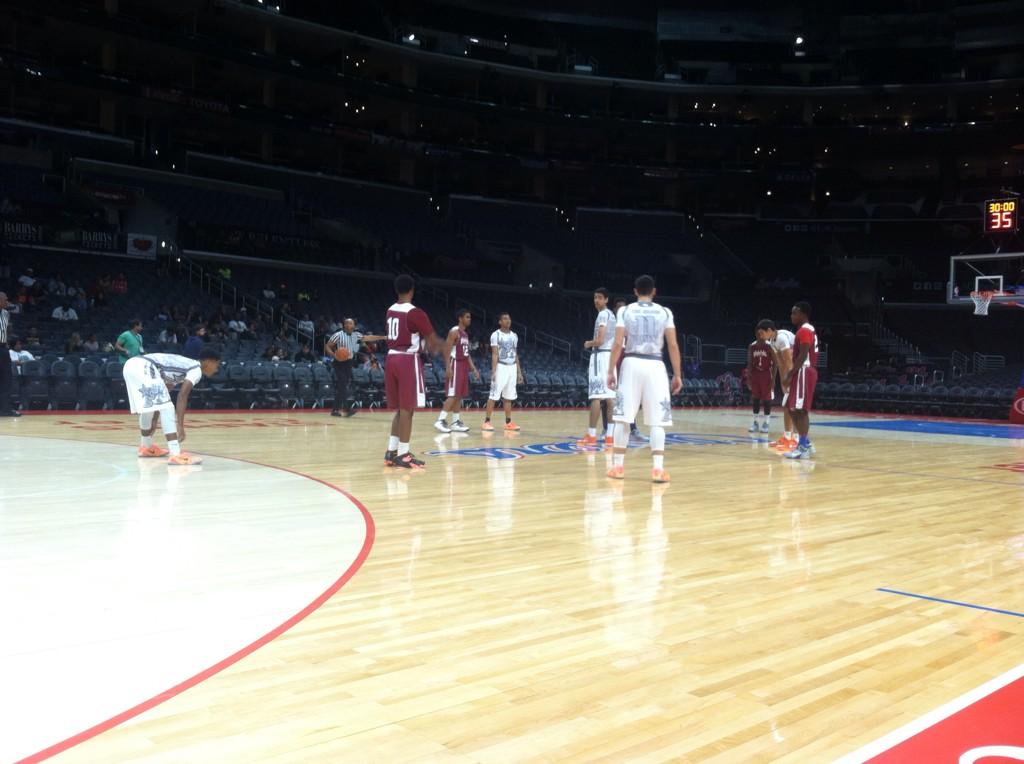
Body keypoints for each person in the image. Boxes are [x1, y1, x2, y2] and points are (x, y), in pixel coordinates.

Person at [606, 274, 682, 483]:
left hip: (631, 363)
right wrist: (677, 374)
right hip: (655, 365)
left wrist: (610, 370)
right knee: (658, 421)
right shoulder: (665, 312)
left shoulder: (625, 310)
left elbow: (617, 343)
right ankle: (658, 469)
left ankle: (618, 467)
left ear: (635, 291)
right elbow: (673, 345)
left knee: (623, 417)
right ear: (654, 291)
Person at [382, 274, 444, 469]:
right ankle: (403, 454)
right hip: (407, 360)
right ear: (412, 290)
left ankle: (391, 452)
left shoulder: (390, 310)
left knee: (401, 409)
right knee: (408, 409)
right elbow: (433, 343)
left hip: (391, 358)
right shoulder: (415, 312)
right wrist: (444, 346)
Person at [123, 348, 221, 465]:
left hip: (131, 365)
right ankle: (175, 454)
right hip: (145, 366)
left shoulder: (182, 368)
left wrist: (154, 419)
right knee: (168, 407)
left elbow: (162, 395)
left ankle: (146, 447)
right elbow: (182, 395)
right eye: (216, 365)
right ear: (209, 361)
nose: (216, 369)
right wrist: (180, 425)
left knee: (149, 407)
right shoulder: (196, 369)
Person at [578, 287, 616, 447]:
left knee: (595, 397)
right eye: (595, 297)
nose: (596, 301)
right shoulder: (612, 315)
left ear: (606, 300)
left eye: (600, 297)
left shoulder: (602, 314)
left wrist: (589, 343)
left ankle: (592, 435)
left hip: (600, 356)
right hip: (610, 356)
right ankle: (610, 436)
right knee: (610, 398)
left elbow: (599, 340)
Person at [326, 318, 386, 417]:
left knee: (343, 386)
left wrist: (383, 337)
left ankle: (335, 410)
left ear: (354, 326)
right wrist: (334, 355)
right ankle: (346, 408)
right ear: (344, 325)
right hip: (339, 362)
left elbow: (369, 338)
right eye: (346, 323)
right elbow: (328, 346)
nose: (348, 325)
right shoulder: (338, 335)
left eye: (350, 323)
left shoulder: (357, 335)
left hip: (349, 362)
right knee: (342, 386)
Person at [783, 301, 819, 460]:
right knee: (791, 408)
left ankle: (803, 446)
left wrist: (790, 373)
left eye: (794, 313)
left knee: (800, 410)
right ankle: (806, 443)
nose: (792, 316)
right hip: (803, 371)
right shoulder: (805, 330)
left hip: (804, 370)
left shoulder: (805, 330)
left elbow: (803, 355)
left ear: (803, 314)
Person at [435, 308, 481, 433]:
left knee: (459, 395)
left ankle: (455, 422)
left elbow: (467, 354)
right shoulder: (454, 332)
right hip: (455, 364)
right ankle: (440, 420)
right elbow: (446, 350)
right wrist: (448, 368)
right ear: (460, 318)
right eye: (467, 317)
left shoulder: (465, 334)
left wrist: (473, 368)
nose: (469, 319)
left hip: (463, 365)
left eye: (470, 317)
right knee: (453, 394)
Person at [757, 319, 797, 452]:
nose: (760, 336)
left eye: (762, 333)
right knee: (788, 405)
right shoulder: (772, 342)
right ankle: (787, 437)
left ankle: (795, 440)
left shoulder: (781, 338)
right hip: (793, 371)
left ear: (769, 331)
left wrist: (790, 380)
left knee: (793, 406)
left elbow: (789, 362)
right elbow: (780, 363)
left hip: (799, 369)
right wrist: (782, 382)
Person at [613, 297, 647, 444]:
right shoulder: (612, 325)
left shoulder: (630, 327)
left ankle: (633, 429)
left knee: (628, 400)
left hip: (626, 365)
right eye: (619, 308)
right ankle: (606, 431)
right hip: (613, 363)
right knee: (609, 401)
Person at [482, 312, 523, 432]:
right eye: (505, 319)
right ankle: (487, 421)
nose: (508, 320)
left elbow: (515, 354)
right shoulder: (496, 335)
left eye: (509, 318)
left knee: (508, 396)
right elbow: (494, 354)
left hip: (512, 367)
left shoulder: (514, 335)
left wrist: (519, 372)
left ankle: (508, 422)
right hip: (501, 366)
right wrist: (494, 371)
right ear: (500, 322)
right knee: (493, 395)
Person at [746, 328, 774, 434]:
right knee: (755, 399)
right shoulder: (752, 346)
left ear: (765, 334)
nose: (760, 335)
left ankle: (766, 423)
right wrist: (749, 378)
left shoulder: (769, 346)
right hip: (756, 374)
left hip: (767, 374)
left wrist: (773, 380)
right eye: (758, 333)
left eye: (762, 333)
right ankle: (755, 423)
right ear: (755, 334)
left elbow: (775, 363)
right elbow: (749, 363)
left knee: (767, 400)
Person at [0, 293, 19, 417]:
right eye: (5, 299)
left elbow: (5, 330)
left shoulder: (6, 314)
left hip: (2, 349)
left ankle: (5, 409)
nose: (7, 302)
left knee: (6, 380)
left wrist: (5, 343)